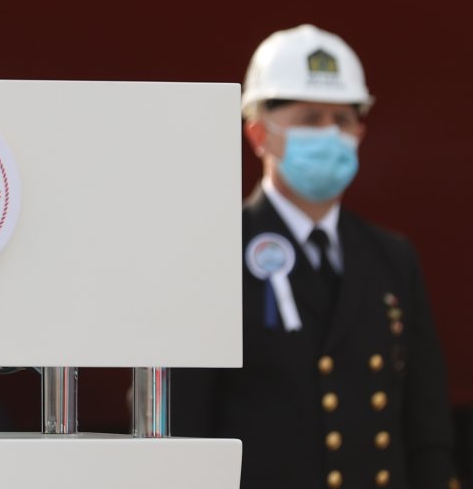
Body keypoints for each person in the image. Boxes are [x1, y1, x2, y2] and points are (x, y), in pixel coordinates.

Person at [173, 24, 458, 489]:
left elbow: (426, 428)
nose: (330, 133)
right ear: (259, 133)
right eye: (309, 118)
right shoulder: (211, 249)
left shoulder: (391, 256)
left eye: (343, 120)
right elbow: (183, 423)